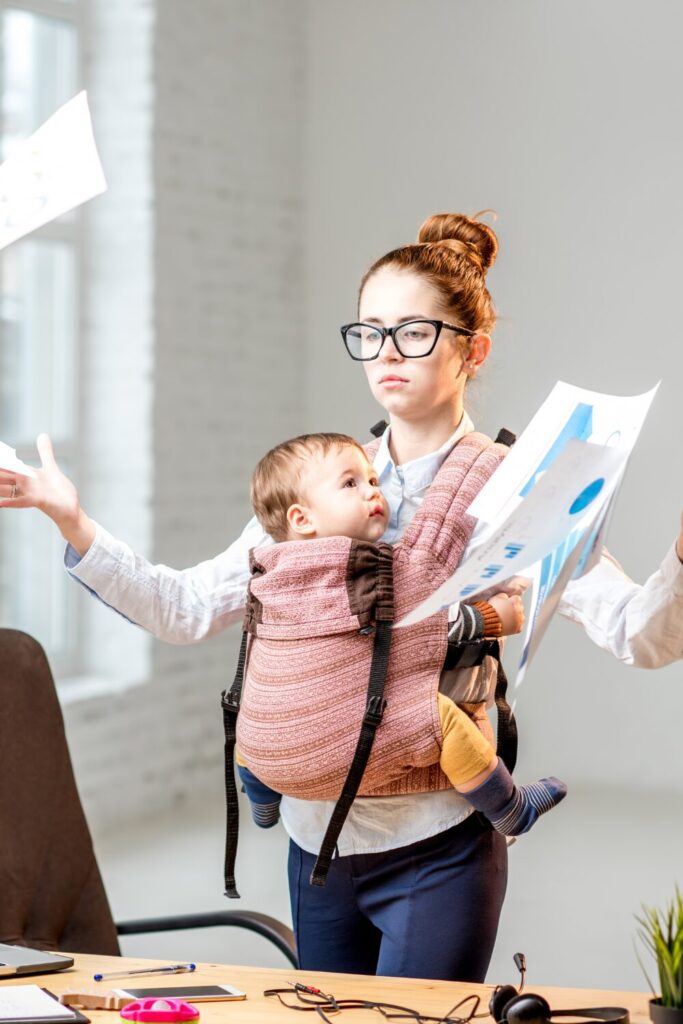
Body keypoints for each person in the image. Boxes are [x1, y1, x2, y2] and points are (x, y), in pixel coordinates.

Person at [2, 212, 683, 983]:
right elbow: (185, 608)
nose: (386, 353)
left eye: (414, 333)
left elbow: (641, 636)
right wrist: (71, 518)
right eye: (368, 331)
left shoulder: (520, 486)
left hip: (437, 842)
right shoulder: (322, 483)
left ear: (472, 350)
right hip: (316, 844)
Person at [235, 430, 565, 838]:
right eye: (350, 483)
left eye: (373, 480)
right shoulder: (359, 567)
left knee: (255, 709)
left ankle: (262, 801)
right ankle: (508, 806)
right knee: (444, 719)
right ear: (302, 518)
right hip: (338, 756)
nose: (373, 492)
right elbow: (418, 626)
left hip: (268, 758)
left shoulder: (267, 573)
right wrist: (492, 618)